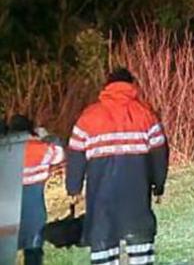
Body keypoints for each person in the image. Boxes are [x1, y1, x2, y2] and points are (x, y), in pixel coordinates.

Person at [67, 68, 169, 265]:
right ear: (132, 85)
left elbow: (75, 153)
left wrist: (74, 187)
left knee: (103, 242)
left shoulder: (89, 116)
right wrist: (159, 184)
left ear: (107, 86)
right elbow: (159, 153)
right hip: (136, 197)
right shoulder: (145, 114)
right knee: (140, 242)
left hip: (101, 199)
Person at [11, 115, 64, 265]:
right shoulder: (42, 149)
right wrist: (46, 136)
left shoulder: (5, 152)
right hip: (35, 211)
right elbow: (59, 155)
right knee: (33, 251)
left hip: (7, 212)